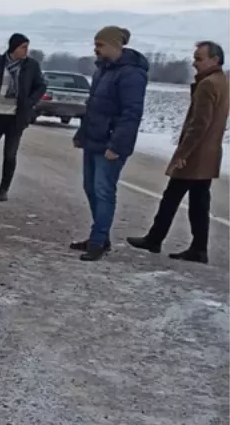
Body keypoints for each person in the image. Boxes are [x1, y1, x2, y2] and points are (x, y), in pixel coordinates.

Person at [127, 40, 229, 265]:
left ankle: (157, 240)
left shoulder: (208, 84)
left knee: (174, 197)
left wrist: (182, 154)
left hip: (196, 154)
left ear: (215, 60)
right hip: (209, 151)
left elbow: (199, 124)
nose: (194, 63)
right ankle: (196, 247)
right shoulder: (222, 81)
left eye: (199, 59)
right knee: (197, 201)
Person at [70, 26, 149, 261]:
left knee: (104, 191)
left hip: (111, 143)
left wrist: (117, 146)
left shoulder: (132, 74)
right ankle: (99, 236)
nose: (96, 49)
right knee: (90, 188)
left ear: (116, 45)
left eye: (100, 45)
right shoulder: (102, 70)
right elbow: (93, 106)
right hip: (93, 139)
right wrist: (82, 133)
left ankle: (98, 241)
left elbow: (131, 113)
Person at [0, 34, 47, 201]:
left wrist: (30, 102)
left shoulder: (31, 66)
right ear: (14, 47)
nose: (26, 51)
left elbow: (41, 85)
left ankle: (3, 190)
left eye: (27, 47)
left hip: (16, 118)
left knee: (10, 155)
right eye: (23, 47)